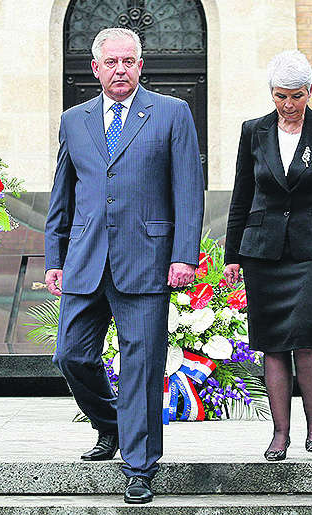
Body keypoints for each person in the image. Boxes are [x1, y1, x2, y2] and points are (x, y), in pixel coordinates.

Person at [44, 27, 203, 504]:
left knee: (142, 364)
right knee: (70, 354)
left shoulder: (172, 114)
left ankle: (140, 466)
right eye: (111, 62)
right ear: (95, 68)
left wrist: (183, 255)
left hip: (147, 259)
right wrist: (55, 257)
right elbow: (62, 195)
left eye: (129, 61)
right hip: (85, 259)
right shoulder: (75, 120)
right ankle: (113, 425)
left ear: (140, 65)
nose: (121, 70)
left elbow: (188, 191)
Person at [223, 50, 312, 462]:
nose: (288, 104)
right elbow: (242, 195)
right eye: (280, 96)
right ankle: (280, 432)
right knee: (272, 343)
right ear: (271, 93)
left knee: (303, 333)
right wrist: (233, 255)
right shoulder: (253, 131)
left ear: (310, 91)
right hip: (263, 252)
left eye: (296, 96)